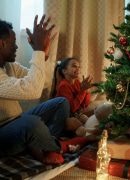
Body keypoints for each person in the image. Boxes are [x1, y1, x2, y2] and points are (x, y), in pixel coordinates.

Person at [0, 15, 90, 164]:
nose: (16, 47)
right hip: (3, 133)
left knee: (60, 102)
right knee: (32, 123)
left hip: (17, 121)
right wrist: (38, 51)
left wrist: (44, 53)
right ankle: (55, 146)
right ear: (2, 43)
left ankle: (44, 145)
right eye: (13, 43)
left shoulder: (9, 66)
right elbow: (32, 90)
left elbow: (44, 82)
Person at [54, 58, 93, 136]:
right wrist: (82, 91)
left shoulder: (77, 83)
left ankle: (90, 132)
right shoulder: (63, 85)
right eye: (74, 66)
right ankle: (84, 135)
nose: (78, 69)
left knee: (88, 120)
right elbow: (72, 108)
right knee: (75, 123)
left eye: (79, 67)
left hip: (77, 114)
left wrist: (86, 91)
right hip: (65, 117)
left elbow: (84, 105)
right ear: (64, 71)